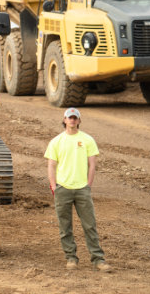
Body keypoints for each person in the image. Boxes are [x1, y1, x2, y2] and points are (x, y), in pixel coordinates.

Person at [45, 107, 112, 272]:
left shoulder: (88, 140)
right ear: (65, 120)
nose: (72, 120)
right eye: (70, 118)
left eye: (75, 118)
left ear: (79, 121)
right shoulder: (56, 141)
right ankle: (71, 258)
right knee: (65, 226)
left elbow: (92, 164)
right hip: (63, 189)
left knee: (90, 225)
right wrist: (54, 186)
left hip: (82, 189)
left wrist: (88, 185)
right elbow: (51, 166)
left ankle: (98, 259)